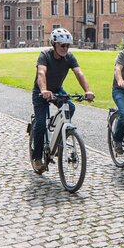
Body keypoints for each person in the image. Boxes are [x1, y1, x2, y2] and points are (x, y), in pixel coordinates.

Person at [32, 28, 95, 171]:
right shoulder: (44, 55)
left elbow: (79, 73)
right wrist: (43, 90)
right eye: (62, 45)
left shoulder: (69, 57)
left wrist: (88, 90)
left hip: (57, 90)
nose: (65, 48)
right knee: (41, 124)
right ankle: (37, 158)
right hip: (41, 92)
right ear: (54, 44)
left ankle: (59, 134)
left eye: (67, 45)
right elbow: (41, 73)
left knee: (70, 107)